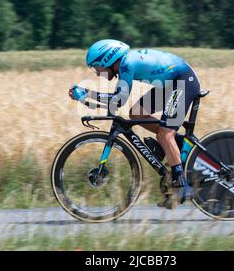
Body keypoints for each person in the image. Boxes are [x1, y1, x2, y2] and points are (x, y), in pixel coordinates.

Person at [68, 39, 201, 208]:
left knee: (165, 134)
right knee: (136, 113)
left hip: (182, 82)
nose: (96, 72)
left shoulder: (126, 64)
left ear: (106, 60)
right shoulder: (125, 63)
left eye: (97, 67)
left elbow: (117, 100)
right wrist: (87, 98)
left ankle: (182, 185)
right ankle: (176, 145)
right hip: (170, 83)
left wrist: (87, 94)